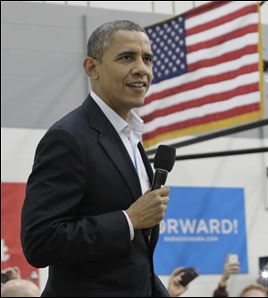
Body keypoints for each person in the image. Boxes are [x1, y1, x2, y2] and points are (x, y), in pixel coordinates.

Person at [21, 20, 170, 297]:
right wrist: (128, 220)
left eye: (147, 59)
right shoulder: (68, 137)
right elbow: (40, 242)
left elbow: (134, 259)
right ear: (92, 68)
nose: (142, 69)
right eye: (127, 57)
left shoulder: (130, 137)